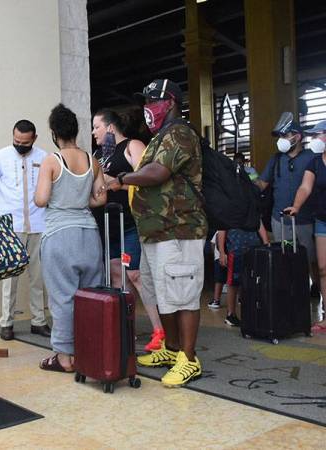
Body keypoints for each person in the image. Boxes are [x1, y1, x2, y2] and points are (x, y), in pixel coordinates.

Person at [105, 79, 207, 387]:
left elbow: (157, 173)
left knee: (183, 296)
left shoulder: (180, 133)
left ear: (172, 102)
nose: (148, 108)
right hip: (157, 231)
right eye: (146, 102)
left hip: (179, 229)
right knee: (163, 294)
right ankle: (171, 348)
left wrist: (120, 178)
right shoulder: (161, 136)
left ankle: (189, 359)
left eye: (155, 101)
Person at [35, 103, 107, 372]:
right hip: (89, 234)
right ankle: (89, 350)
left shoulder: (52, 161)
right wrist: (80, 199)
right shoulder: (93, 160)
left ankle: (64, 356)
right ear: (76, 130)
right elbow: (100, 198)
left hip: (59, 235)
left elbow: (41, 199)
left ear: (54, 133)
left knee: (63, 298)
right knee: (91, 295)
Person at [91, 108, 165, 351]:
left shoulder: (132, 145)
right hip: (106, 225)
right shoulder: (97, 155)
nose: (94, 133)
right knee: (115, 275)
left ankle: (159, 329)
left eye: (97, 127)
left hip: (130, 222)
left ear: (110, 127)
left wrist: (115, 182)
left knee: (135, 275)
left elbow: (146, 179)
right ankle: (124, 328)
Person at [0, 120, 50, 341]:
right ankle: (6, 323)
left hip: (39, 225)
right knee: (10, 278)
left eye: (25, 142)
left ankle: (39, 321)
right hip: (11, 228)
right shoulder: (0, 157)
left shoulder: (44, 157)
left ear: (34, 139)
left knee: (37, 278)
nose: (20, 145)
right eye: (16, 141)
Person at [256, 112, 319, 296]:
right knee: (285, 257)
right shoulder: (276, 159)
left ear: (297, 136)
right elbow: (262, 184)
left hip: (306, 219)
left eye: (285, 135)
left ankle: (315, 285)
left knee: (311, 258)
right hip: (279, 219)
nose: (281, 140)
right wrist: (245, 181)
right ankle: (292, 292)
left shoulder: (311, 158)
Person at [284, 120, 326, 333]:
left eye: (319, 135)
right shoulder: (315, 163)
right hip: (322, 221)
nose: (315, 139)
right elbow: (305, 187)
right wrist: (296, 206)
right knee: (322, 269)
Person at [217, 223, 269, 327]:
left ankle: (251, 313)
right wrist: (222, 252)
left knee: (251, 280)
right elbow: (222, 229)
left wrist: (266, 242)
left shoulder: (253, 207)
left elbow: (259, 223)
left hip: (253, 249)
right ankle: (231, 314)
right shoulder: (229, 208)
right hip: (235, 250)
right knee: (233, 282)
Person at [207, 231, 227, 309]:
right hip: (232, 256)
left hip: (219, 257)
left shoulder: (219, 230)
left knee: (219, 280)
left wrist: (214, 254)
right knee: (236, 279)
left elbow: (212, 243)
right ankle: (240, 299)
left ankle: (216, 300)